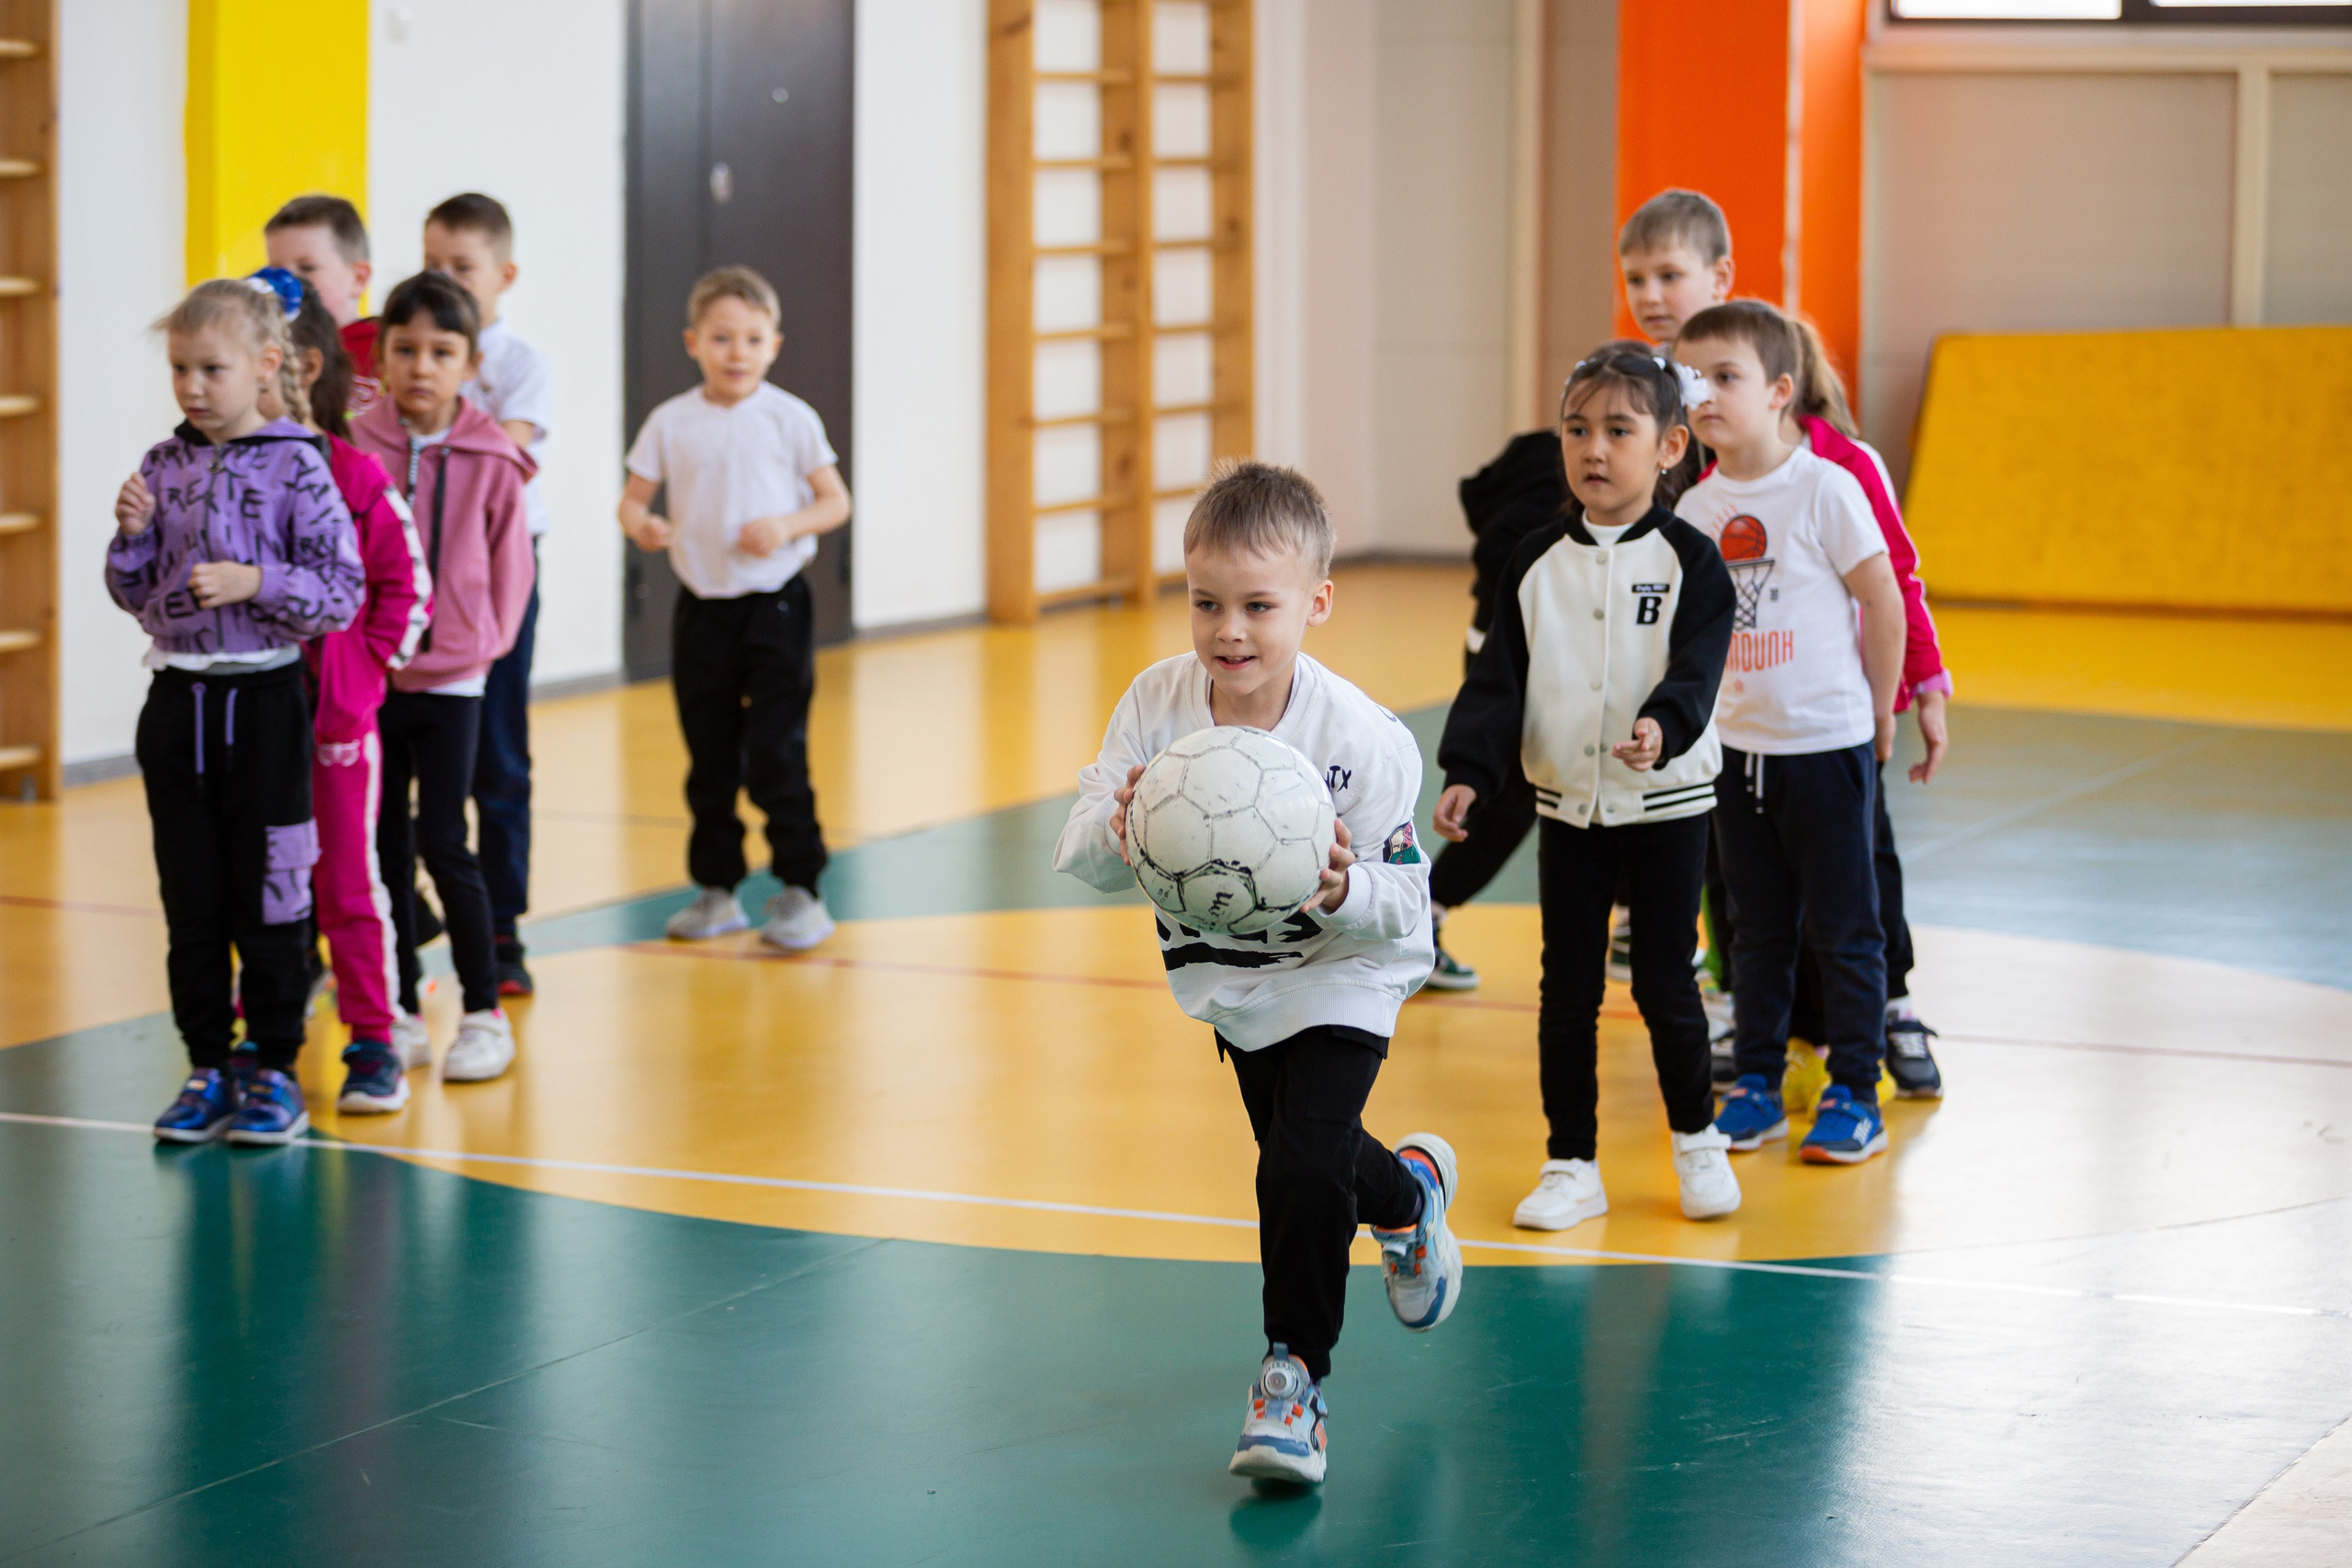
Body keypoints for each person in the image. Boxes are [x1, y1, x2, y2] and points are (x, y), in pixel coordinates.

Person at [1054, 460, 1461, 1486]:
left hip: (1345, 968)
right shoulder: (1156, 706)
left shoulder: (1361, 740)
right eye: (1205, 603)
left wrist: (1339, 891)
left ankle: (1293, 1381)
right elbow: (1082, 859)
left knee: (1295, 1166)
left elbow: (1409, 901)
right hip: (1230, 983)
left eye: (1257, 606)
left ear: (1316, 604)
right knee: (1313, 1162)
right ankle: (1407, 1199)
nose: (1228, 630)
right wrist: (1123, 824)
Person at [1619, 186, 1952, 1092]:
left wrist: (1917, 684)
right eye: (1636, 280)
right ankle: (1747, 1018)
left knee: (1859, 865)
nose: (1650, 294)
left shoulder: (1834, 467)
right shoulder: (1677, 452)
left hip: (1826, 714)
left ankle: (1888, 1004)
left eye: (1670, 277)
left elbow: (1893, 586)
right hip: (1730, 721)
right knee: (1733, 879)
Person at [1435, 346, 1739, 1229]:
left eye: (1618, 430)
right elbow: (1497, 682)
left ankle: (1697, 1139)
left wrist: (1662, 725)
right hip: (1567, 804)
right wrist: (1470, 774)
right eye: (1577, 429)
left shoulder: (1693, 560)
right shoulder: (1532, 561)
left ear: (1670, 446)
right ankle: (1571, 1162)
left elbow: (1699, 667)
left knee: (1662, 983)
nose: (1593, 449)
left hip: (1668, 805)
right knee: (1564, 989)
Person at [108, 276, 363, 1145]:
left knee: (275, 893)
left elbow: (341, 592)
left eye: (210, 369)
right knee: (193, 897)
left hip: (264, 706)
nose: (190, 387)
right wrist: (133, 537)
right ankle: (207, 1063)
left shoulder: (300, 464)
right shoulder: (163, 464)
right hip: (178, 701)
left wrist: (259, 581)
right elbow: (135, 595)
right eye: (179, 368)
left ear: (262, 368)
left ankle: (277, 1066)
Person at [1673, 300, 1905, 1166]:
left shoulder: (1825, 488)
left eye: (1725, 378)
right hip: (1737, 754)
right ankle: (1760, 1085)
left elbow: (1881, 599)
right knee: (1753, 930)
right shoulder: (1697, 508)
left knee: (1845, 928)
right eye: (1690, 380)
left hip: (1826, 747)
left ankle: (1855, 1087)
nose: (1704, 395)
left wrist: (1880, 711)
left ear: (1779, 391)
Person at [619, 266, 850, 952]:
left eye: (752, 338)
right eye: (721, 337)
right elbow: (632, 498)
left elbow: (835, 501)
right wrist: (642, 525)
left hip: (776, 610)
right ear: (694, 342)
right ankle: (718, 890)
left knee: (777, 750)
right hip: (703, 614)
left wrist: (787, 525)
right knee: (709, 755)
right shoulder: (671, 420)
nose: (737, 352)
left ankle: (802, 889)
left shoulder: (790, 417)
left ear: (773, 344)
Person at [248, 268, 435, 1113]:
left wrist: (361, 671)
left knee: (347, 886)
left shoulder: (356, 476)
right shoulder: (212, 477)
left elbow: (408, 585)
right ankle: (266, 1040)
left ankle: (372, 1037)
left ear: (305, 367)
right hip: (247, 720)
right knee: (261, 884)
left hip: (335, 723)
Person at [351, 272, 536, 1083]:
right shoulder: (356, 445)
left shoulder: (495, 457)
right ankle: (397, 1004)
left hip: (456, 676)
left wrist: (484, 644)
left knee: (444, 841)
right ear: (384, 358)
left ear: (470, 364)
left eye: (441, 352)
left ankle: (484, 1011)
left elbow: (513, 566)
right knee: (382, 841)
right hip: (374, 675)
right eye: (405, 350)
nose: (421, 366)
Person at [424, 192, 553, 996]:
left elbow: (503, 453)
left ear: (502, 276)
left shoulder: (516, 365)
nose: (445, 278)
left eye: (462, 267)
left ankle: (503, 928)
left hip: (494, 570)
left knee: (497, 752)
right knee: (405, 744)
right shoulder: (410, 356)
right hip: (420, 569)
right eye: (432, 263)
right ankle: (406, 904)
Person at [1423, 431, 1562, 991]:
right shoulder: (1559, 471)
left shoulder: (1543, 448)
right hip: (1512, 649)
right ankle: (1422, 917)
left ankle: (1628, 922)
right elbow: (1498, 535)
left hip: (1508, 642)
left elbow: (1476, 490)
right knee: (1512, 799)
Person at [265, 194, 380, 417]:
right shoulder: (268, 350)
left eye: (307, 268)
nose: (288, 283)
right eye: (277, 272)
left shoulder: (388, 348)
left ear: (358, 278)